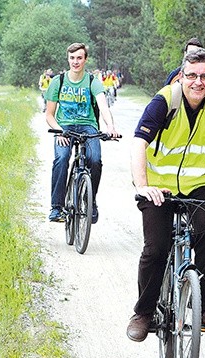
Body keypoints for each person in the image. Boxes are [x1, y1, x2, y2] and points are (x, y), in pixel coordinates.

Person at [127, 48, 205, 342]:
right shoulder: (165, 100)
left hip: (203, 184)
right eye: (192, 75)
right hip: (160, 186)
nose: (198, 82)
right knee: (156, 247)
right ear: (181, 76)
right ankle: (143, 313)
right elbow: (138, 143)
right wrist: (143, 185)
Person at [44, 43, 120, 223]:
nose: (75, 62)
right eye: (72, 58)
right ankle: (56, 207)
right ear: (68, 59)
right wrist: (60, 131)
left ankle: (90, 200)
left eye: (79, 58)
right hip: (64, 127)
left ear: (85, 59)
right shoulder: (58, 82)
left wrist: (110, 127)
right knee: (61, 159)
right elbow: (49, 114)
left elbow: (103, 105)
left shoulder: (93, 81)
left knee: (95, 160)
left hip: (88, 126)